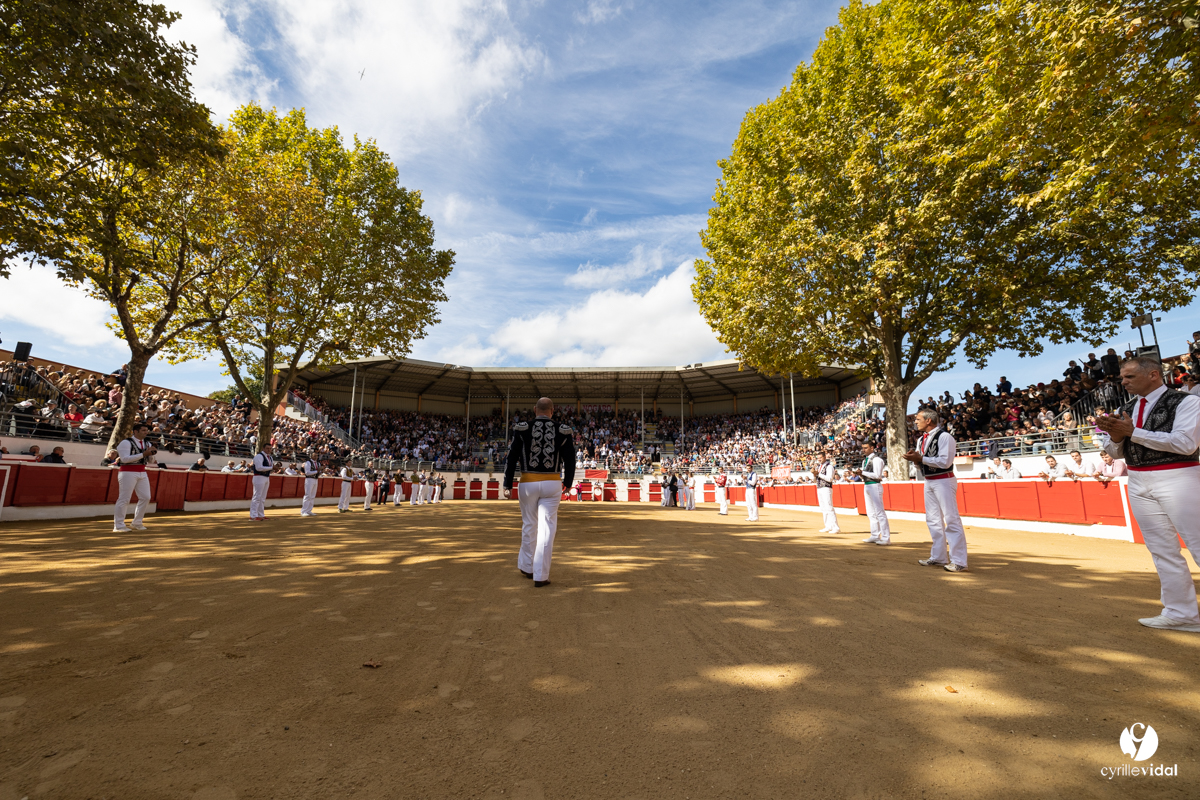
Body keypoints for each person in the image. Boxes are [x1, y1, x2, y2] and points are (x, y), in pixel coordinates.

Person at [1096, 356, 1200, 632]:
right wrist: (1116, 436)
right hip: (1138, 478)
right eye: (1123, 377)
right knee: (1161, 550)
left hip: (1179, 476)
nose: (1124, 382)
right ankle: (1181, 613)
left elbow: (1185, 444)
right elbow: (1115, 451)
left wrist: (1133, 432)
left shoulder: (1186, 402)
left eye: (1129, 376)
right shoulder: (1126, 408)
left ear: (1153, 375)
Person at [503, 397, 576, 587]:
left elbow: (511, 457)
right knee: (547, 528)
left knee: (529, 524)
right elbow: (570, 459)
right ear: (552, 411)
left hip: (528, 482)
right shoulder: (563, 430)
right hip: (552, 483)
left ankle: (527, 567)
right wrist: (568, 483)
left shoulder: (522, 428)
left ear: (535, 410)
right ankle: (541, 575)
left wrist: (507, 484)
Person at [904, 409, 968, 572]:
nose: (915, 422)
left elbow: (945, 462)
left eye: (918, 419)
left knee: (951, 518)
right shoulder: (921, 439)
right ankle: (939, 557)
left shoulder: (945, 437)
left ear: (929, 421)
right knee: (933, 519)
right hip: (930, 480)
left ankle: (959, 561)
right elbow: (923, 464)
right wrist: (916, 460)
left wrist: (920, 458)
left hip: (944, 480)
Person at [113, 422, 156, 532]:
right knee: (124, 498)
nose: (146, 433)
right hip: (127, 472)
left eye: (146, 431)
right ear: (135, 431)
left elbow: (151, 461)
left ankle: (137, 522)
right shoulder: (126, 442)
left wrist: (152, 454)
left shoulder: (147, 443)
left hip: (142, 471)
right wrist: (144, 454)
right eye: (143, 430)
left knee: (146, 497)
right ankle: (118, 525)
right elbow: (124, 459)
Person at [858, 443, 890, 545]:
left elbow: (877, 475)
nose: (864, 450)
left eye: (866, 448)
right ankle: (875, 535)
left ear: (872, 448)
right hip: (867, 485)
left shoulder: (877, 460)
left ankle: (885, 537)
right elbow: (866, 475)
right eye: (863, 448)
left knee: (879, 512)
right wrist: (861, 474)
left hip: (875, 485)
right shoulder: (865, 461)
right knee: (871, 512)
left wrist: (862, 473)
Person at [249, 442, 274, 521]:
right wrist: (271, 468)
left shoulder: (270, 457)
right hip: (259, 477)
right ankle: (253, 515)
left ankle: (260, 514)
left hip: (266, 477)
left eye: (270, 449)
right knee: (257, 496)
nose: (269, 450)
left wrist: (272, 468)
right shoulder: (259, 456)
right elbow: (259, 468)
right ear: (263, 448)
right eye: (267, 448)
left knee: (262, 498)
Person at [815, 450, 839, 533]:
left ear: (825, 457)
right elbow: (817, 479)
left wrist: (818, 474)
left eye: (820, 458)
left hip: (826, 487)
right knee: (823, 508)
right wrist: (814, 475)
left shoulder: (829, 466)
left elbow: (830, 478)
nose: (819, 459)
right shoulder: (819, 467)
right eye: (818, 458)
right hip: (819, 488)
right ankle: (828, 526)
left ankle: (835, 527)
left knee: (829, 507)